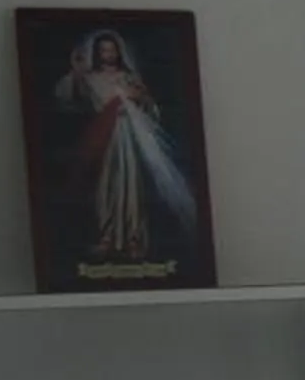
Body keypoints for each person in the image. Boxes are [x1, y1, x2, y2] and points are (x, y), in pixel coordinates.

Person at [57, 30, 199, 255]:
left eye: (112, 49)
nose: (108, 54)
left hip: (130, 137)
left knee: (131, 185)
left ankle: (134, 238)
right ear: (97, 52)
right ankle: (108, 236)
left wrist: (140, 97)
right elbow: (67, 99)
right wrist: (76, 72)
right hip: (103, 135)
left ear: (119, 52)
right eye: (103, 50)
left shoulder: (129, 77)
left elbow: (151, 108)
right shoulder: (90, 78)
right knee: (105, 186)